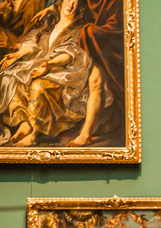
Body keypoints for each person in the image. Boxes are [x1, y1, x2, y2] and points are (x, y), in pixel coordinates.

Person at [0, 0, 93, 147]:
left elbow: (71, 54)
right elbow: (33, 42)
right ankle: (25, 123)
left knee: (38, 85)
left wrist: (49, 64)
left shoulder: (80, 29)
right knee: (11, 77)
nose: (71, 6)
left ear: (80, 7)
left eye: (75, 3)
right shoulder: (50, 22)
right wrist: (18, 54)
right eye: (68, 1)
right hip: (41, 64)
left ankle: (34, 135)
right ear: (60, 3)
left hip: (64, 71)